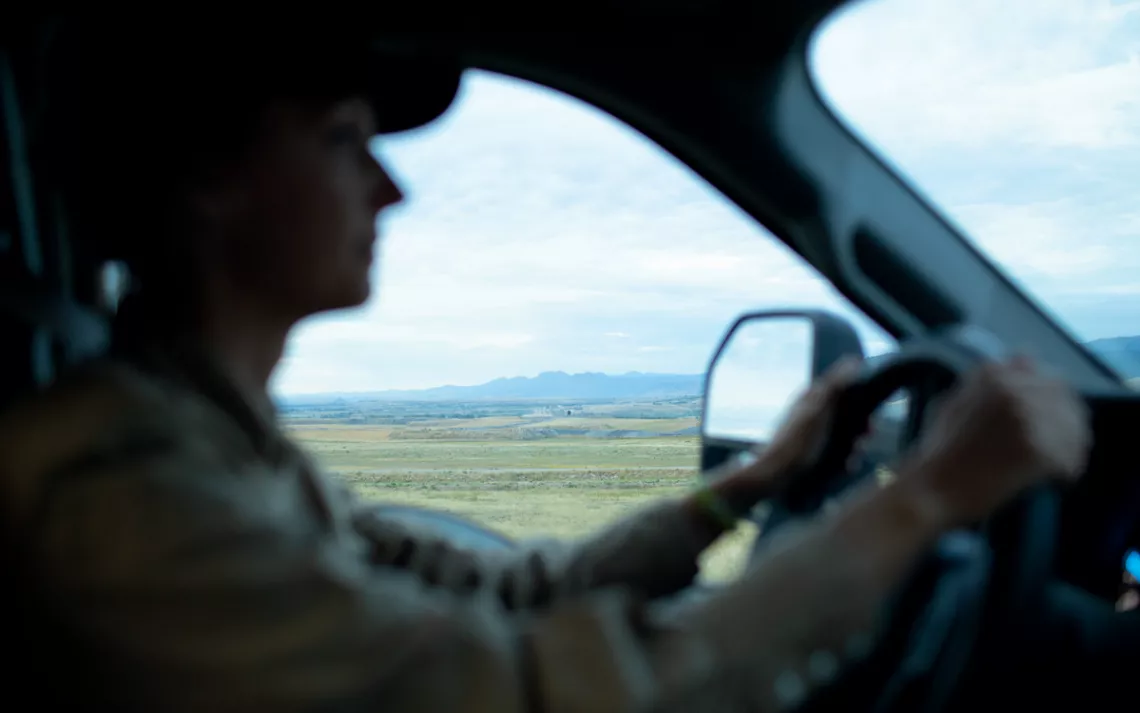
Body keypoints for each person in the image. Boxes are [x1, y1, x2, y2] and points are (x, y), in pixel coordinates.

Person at [0, 26, 1091, 713]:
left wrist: (747, 485)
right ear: (208, 177)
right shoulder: (128, 492)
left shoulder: (225, 452)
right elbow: (542, 694)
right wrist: (927, 502)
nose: (392, 189)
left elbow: (518, 593)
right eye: (342, 140)